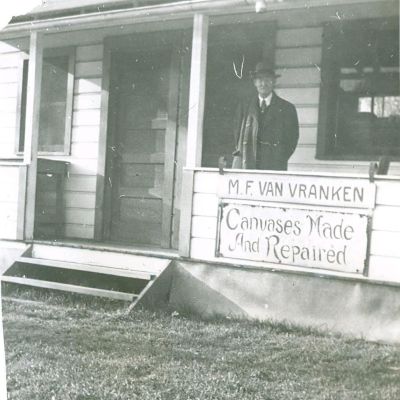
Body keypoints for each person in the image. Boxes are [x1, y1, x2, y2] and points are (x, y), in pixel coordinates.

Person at [232, 61, 299, 170]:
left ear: (274, 82)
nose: (263, 84)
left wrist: (279, 158)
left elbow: (292, 140)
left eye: (268, 79)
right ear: (255, 82)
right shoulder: (245, 107)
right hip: (249, 165)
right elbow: (237, 134)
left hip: (274, 166)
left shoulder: (287, 109)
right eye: (260, 79)